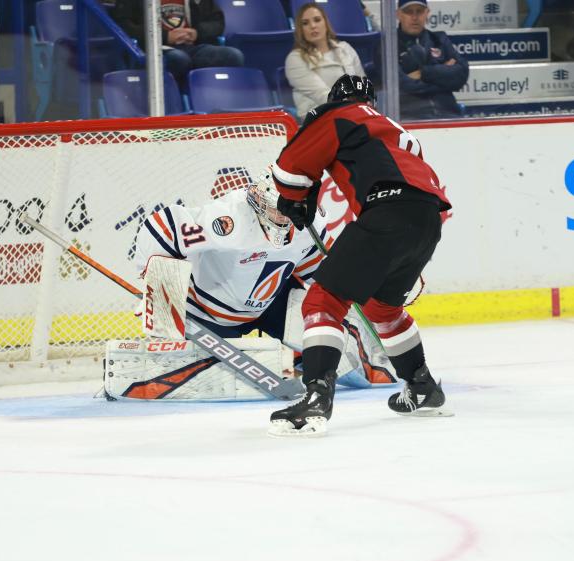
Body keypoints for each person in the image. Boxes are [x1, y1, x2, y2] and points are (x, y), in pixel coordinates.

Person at [268, 74, 452, 437]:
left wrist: (294, 199)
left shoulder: (340, 115)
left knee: (323, 300)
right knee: (381, 308)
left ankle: (316, 397)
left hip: (388, 211)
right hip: (428, 218)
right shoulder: (395, 129)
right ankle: (422, 386)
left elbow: (289, 169)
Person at [129, 167, 396, 394]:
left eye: (292, 207)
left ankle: (317, 356)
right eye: (278, 208)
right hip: (208, 314)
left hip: (271, 305)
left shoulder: (310, 222)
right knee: (185, 375)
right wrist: (154, 285)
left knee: (346, 362)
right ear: (258, 200)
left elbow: (316, 271)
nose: (285, 216)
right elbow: (162, 228)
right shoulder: (229, 220)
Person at [112, 0, 244, 86]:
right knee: (179, 59)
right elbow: (124, 27)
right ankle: (179, 102)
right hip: (155, 48)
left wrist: (197, 32)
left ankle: (216, 106)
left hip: (192, 46)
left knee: (233, 55)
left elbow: (217, 23)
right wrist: (165, 37)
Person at [285, 2, 366, 121]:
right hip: (318, 121)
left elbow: (362, 85)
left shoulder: (345, 48)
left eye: (317, 20)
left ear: (326, 23)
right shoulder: (295, 59)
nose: (313, 26)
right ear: (300, 30)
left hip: (353, 115)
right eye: (305, 23)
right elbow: (324, 96)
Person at [396, 0, 469, 120]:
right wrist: (444, 77)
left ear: (427, 13)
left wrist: (423, 73)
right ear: (398, 14)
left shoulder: (440, 39)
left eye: (419, 11)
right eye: (409, 12)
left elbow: (461, 75)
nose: (415, 17)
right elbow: (404, 85)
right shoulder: (387, 46)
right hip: (409, 119)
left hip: (449, 115)